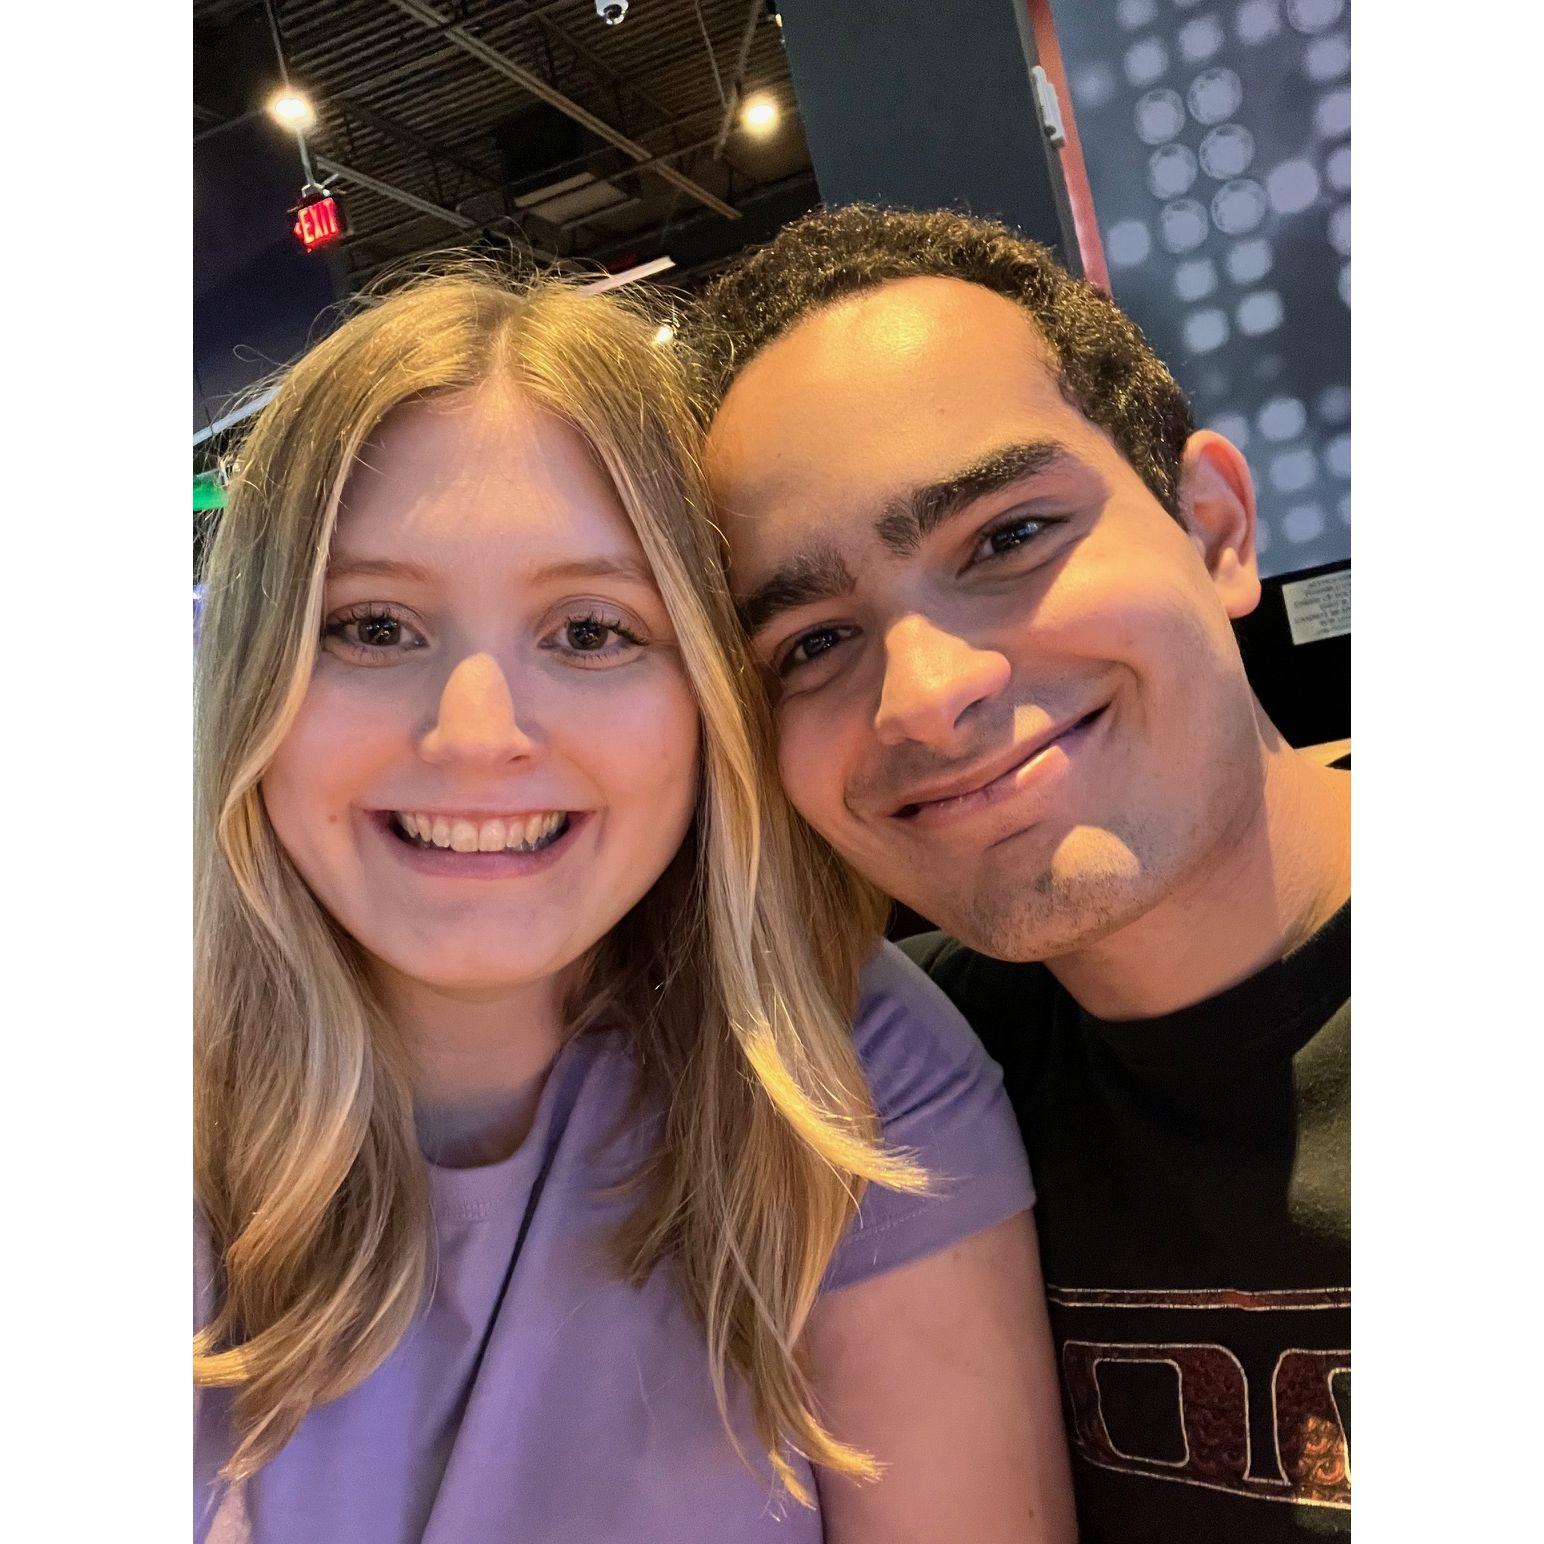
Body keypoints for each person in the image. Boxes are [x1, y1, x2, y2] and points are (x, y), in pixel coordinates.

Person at [193, 269, 1077, 1544]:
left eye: (591, 631)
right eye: (373, 626)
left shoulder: (849, 1080)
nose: (477, 734)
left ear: (709, 694)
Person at [694, 205, 1351, 1542]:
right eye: (811, 643)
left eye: (1008, 537)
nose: (924, 694)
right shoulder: (885, 1087)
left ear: (1214, 529)